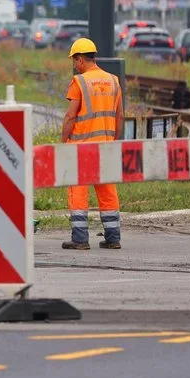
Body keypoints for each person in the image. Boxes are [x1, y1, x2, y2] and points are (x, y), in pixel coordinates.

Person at [61, 38, 124, 250]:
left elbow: (70, 117)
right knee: (107, 191)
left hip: (81, 149)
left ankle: (80, 239)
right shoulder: (113, 81)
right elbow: (120, 116)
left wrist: (63, 143)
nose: (74, 65)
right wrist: (113, 142)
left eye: (74, 60)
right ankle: (113, 238)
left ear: (80, 60)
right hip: (105, 147)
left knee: (78, 191)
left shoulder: (79, 82)